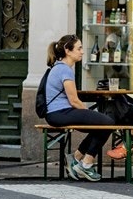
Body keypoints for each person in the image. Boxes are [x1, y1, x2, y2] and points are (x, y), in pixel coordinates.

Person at [42, 33, 114, 182]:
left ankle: (76, 158)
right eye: (79, 48)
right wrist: (89, 113)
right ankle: (85, 164)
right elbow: (74, 100)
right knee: (107, 123)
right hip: (60, 113)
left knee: (101, 124)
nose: (82, 51)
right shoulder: (65, 70)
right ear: (68, 51)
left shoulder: (59, 67)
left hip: (56, 113)